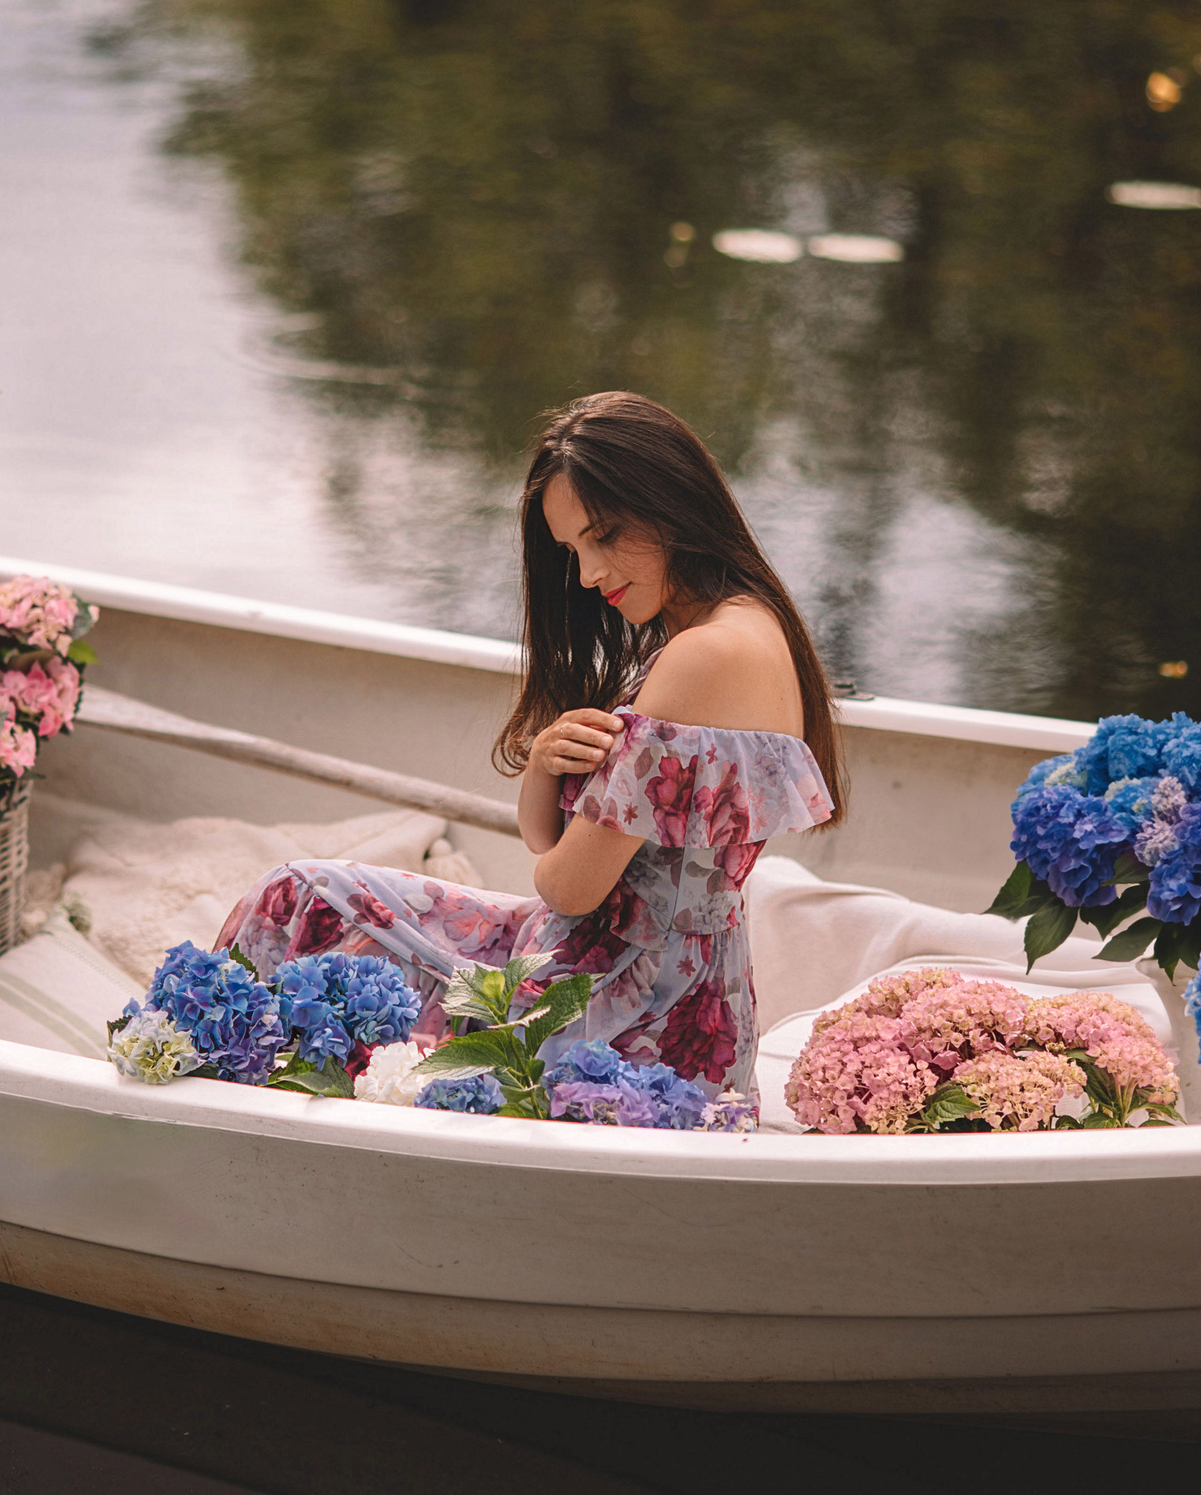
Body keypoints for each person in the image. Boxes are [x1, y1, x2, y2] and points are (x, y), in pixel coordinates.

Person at [215, 391, 845, 1095]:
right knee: (322, 903)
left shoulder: (705, 657)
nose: (589, 574)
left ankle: (209, 1070)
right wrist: (547, 760)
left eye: (604, 534)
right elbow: (549, 840)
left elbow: (568, 883)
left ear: (671, 499)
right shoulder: (757, 625)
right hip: (691, 999)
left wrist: (570, 837)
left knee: (300, 895)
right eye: (573, 549)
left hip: (613, 1009)